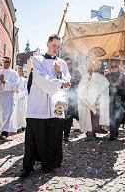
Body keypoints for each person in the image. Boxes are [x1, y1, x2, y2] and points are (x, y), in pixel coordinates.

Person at [20, 34, 71, 178]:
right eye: (54, 46)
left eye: (58, 47)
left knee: (54, 135)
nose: (56, 49)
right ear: (47, 44)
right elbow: (41, 79)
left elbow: (67, 80)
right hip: (39, 104)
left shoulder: (62, 63)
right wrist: (60, 81)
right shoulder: (37, 60)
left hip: (57, 103)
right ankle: (28, 166)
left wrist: (60, 74)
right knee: (33, 137)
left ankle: (49, 163)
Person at [78, 57, 110, 141]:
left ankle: (94, 132)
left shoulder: (100, 76)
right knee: (88, 117)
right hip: (87, 101)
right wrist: (87, 82)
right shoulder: (86, 76)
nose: (93, 66)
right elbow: (81, 87)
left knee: (95, 118)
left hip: (97, 101)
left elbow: (103, 85)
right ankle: (89, 133)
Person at [0, 57, 19, 140]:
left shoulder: (14, 73)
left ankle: (5, 133)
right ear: (2, 63)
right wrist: (0, 81)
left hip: (9, 95)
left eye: (8, 62)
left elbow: (16, 85)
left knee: (7, 113)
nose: (6, 63)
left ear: (10, 62)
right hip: (0, 95)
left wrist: (5, 82)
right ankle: (1, 131)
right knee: (0, 112)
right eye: (5, 62)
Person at [106, 59, 125, 140]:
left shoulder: (123, 77)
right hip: (109, 100)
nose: (113, 67)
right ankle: (113, 134)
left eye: (115, 66)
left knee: (118, 117)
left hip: (120, 100)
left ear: (118, 66)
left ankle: (115, 132)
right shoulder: (107, 77)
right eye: (112, 66)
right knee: (111, 117)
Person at [63, 57, 82, 142]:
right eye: (66, 64)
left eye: (69, 63)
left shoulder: (75, 72)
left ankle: (66, 135)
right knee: (59, 115)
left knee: (69, 117)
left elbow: (79, 79)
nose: (68, 65)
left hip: (72, 97)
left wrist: (70, 82)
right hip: (61, 96)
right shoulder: (61, 71)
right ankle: (58, 134)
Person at [13, 66, 28, 131]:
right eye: (19, 70)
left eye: (21, 71)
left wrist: (20, 94)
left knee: (22, 112)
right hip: (15, 98)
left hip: (22, 99)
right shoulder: (14, 79)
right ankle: (15, 126)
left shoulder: (25, 80)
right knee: (15, 112)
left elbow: (26, 89)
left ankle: (23, 125)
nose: (20, 72)